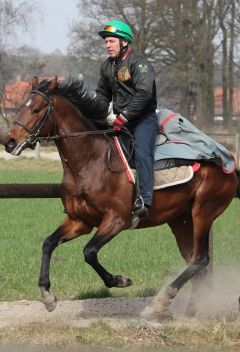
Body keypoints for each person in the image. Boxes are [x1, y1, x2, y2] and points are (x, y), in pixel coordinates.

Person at [96, 20, 158, 218]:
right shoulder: (107, 66)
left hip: (143, 120)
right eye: (106, 41)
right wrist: (95, 114)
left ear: (124, 42)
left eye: (111, 41)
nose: (107, 45)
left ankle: (145, 199)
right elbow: (102, 95)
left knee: (141, 153)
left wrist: (125, 116)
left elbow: (144, 94)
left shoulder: (140, 64)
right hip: (119, 120)